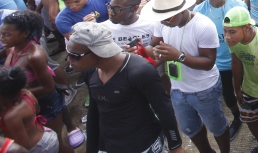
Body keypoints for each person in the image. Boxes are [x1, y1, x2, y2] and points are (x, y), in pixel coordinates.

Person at [67, 22, 185, 153]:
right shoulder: (90, 71)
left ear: (98, 52)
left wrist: (176, 146)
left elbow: (164, 109)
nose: (68, 61)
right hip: (108, 144)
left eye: (74, 56)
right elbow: (94, 112)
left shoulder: (140, 71)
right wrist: (92, 148)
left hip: (143, 143)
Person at [140, 0, 231, 153]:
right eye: (160, 18)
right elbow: (154, 47)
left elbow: (208, 62)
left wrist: (179, 56)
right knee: (190, 129)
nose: (163, 22)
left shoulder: (203, 25)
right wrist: (140, 50)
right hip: (177, 89)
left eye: (167, 18)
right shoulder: (163, 22)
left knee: (217, 127)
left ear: (182, 10)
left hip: (205, 89)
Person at [0, 11, 73, 153]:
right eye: (1, 33)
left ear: (25, 33)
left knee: (57, 143)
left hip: (46, 103)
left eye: (7, 34)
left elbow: (48, 88)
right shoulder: (11, 48)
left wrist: (16, 93)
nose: (2, 38)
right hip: (27, 102)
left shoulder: (34, 56)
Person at [192, 0, 247, 140]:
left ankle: (251, 114)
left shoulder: (238, 5)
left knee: (247, 90)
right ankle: (237, 117)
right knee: (228, 93)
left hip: (240, 56)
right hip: (217, 62)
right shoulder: (199, 11)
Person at [223, 6, 258, 153]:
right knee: (250, 119)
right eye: (225, 31)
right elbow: (236, 63)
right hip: (250, 87)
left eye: (232, 31)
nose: (227, 37)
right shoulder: (234, 42)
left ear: (247, 27)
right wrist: (237, 88)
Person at [0, 66, 58, 152]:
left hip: (38, 148)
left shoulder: (11, 117)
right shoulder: (27, 94)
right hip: (48, 136)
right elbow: (37, 110)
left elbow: (23, 146)